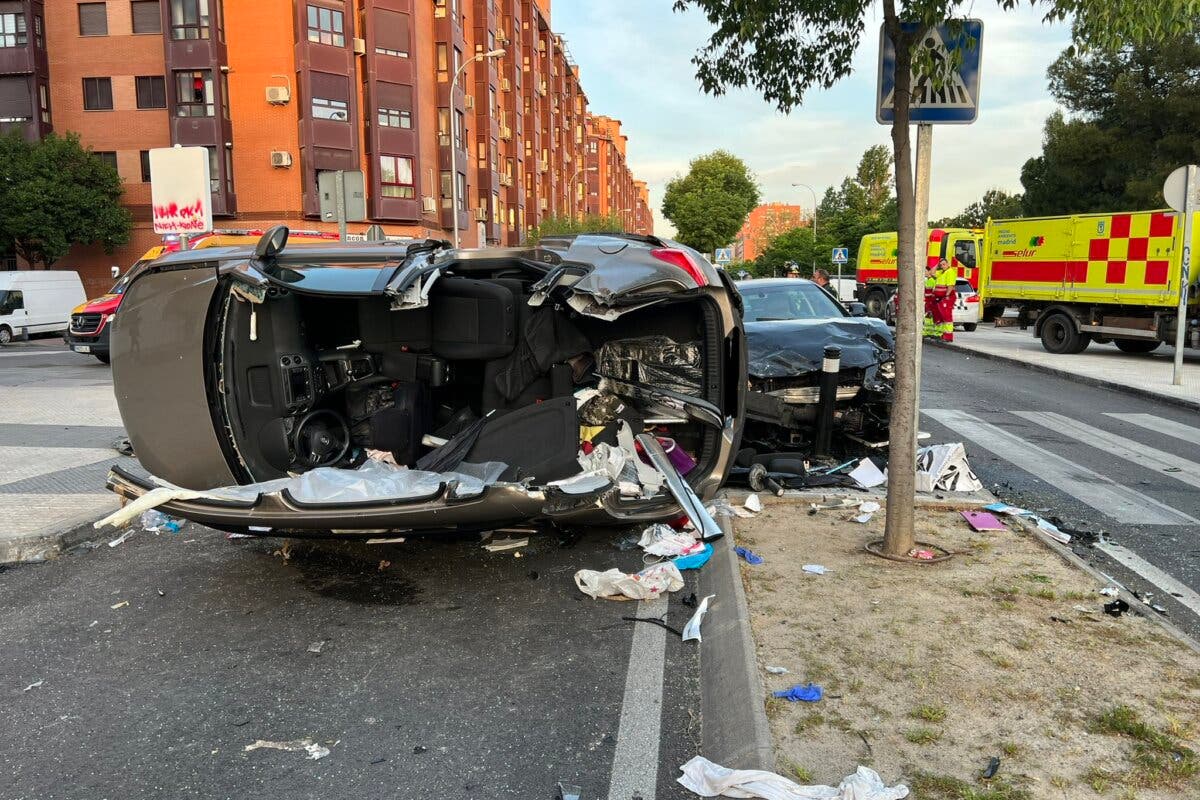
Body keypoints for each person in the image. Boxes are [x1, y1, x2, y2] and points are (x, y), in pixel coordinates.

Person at [934, 257, 958, 342]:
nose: (942, 266)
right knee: (943, 316)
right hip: (941, 298)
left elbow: (950, 285)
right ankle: (944, 335)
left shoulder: (950, 272)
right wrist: (937, 265)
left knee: (947, 316)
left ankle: (948, 337)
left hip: (947, 297)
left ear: (948, 264)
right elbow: (931, 273)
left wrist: (947, 295)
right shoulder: (941, 272)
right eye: (941, 265)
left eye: (944, 264)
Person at [923, 262, 938, 337]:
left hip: (931, 301)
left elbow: (934, 292)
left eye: (925, 271)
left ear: (929, 271)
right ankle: (927, 332)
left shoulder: (932, 280)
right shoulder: (927, 280)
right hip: (927, 301)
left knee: (931, 317)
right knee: (927, 317)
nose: (924, 273)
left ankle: (931, 332)